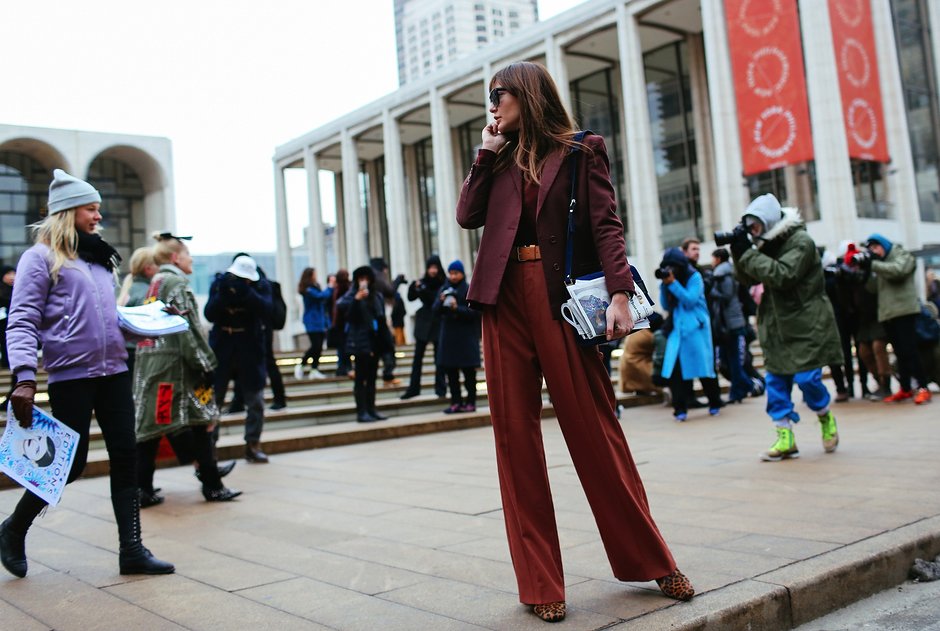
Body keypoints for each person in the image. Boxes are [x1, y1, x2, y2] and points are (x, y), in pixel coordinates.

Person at [455, 61, 693, 623]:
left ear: (528, 94)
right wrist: (485, 153)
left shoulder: (582, 149)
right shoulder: (498, 155)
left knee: (595, 430)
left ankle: (651, 559)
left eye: (499, 95)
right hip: (502, 298)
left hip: (561, 300)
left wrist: (617, 294)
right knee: (515, 443)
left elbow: (606, 224)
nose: (491, 106)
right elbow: (468, 216)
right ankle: (540, 583)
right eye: (488, 98)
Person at [1, 169, 173, 578]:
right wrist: (25, 376)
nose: (99, 216)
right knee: (70, 464)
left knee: (126, 456)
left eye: (99, 208)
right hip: (71, 375)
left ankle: (132, 549)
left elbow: (107, 318)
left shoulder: (98, 260)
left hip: (114, 369)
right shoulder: (39, 258)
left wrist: (157, 318)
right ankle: (12, 529)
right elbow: (22, 321)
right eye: (91, 209)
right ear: (67, 212)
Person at [729, 193, 842, 461]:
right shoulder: (765, 245)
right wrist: (738, 250)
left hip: (807, 324)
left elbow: (782, 275)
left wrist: (748, 252)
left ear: (768, 222)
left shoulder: (800, 241)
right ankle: (785, 436)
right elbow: (747, 277)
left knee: (807, 380)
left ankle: (825, 416)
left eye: (755, 226)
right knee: (776, 383)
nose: (753, 233)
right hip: (776, 324)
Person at [133, 233, 241, 505]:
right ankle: (212, 485)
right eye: (187, 253)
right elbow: (187, 327)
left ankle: (143, 488)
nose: (191, 258)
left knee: (153, 428)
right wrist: (205, 363)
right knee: (200, 422)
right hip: (176, 369)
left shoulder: (156, 281)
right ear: (175, 257)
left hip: (155, 367)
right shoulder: (176, 283)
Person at [204, 254, 273, 463]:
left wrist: (247, 293)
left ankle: (253, 444)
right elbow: (210, 313)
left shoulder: (260, 286)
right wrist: (224, 294)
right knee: (215, 399)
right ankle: (209, 448)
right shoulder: (219, 285)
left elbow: (267, 310)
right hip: (223, 347)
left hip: (249, 348)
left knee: (255, 400)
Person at [857, 234, 932, 405]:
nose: (874, 251)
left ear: (884, 245)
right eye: (871, 249)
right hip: (888, 314)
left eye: (876, 247)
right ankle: (905, 388)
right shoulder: (880, 265)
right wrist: (865, 271)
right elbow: (872, 288)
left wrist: (874, 264)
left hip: (904, 311)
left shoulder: (900, 254)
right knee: (899, 353)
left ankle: (923, 387)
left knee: (910, 350)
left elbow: (899, 271)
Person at [658, 247, 724, 420]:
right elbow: (665, 305)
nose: (671, 270)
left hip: (696, 329)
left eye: (673, 266)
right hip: (678, 331)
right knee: (676, 371)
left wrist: (673, 284)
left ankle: (714, 402)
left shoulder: (694, 277)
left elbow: (690, 300)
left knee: (704, 368)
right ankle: (680, 408)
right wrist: (664, 286)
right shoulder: (669, 282)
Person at [337, 265, 393, 422]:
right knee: (361, 378)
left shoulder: (376, 296)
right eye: (361, 279)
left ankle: (371, 408)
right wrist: (356, 299)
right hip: (360, 342)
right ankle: (361, 411)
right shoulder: (352, 295)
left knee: (372, 378)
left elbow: (380, 319)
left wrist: (386, 343)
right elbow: (347, 313)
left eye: (366, 279)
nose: (364, 282)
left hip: (375, 341)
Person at [433, 260, 480, 413]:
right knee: (451, 374)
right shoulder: (444, 289)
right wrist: (441, 302)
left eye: (456, 273)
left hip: (466, 338)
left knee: (469, 374)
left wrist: (456, 308)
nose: (453, 276)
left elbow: (475, 313)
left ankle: (471, 402)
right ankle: (456, 402)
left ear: (462, 274)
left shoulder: (468, 289)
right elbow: (434, 311)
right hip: (449, 339)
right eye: (451, 273)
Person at [709, 247, 753, 404]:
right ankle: (744, 387)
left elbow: (727, 296)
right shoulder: (723, 274)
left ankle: (743, 388)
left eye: (713, 258)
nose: (712, 261)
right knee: (729, 359)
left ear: (719, 259)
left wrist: (712, 292)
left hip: (731, 323)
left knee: (733, 360)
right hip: (729, 322)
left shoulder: (724, 275)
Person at [401, 255, 447, 400]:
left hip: (438, 322)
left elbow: (435, 299)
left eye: (435, 267)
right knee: (417, 358)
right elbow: (410, 297)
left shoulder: (443, 283)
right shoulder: (422, 282)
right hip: (423, 323)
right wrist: (415, 288)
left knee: (439, 358)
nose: (432, 271)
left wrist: (423, 290)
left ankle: (441, 388)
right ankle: (413, 388)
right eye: (430, 268)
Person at [295, 267, 333, 380]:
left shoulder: (314, 288)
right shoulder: (308, 290)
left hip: (319, 321)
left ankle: (314, 369)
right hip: (312, 321)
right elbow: (321, 297)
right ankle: (301, 364)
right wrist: (330, 287)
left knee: (319, 346)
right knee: (316, 345)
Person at [328, 269, 352, 377]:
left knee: (341, 347)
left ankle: (342, 367)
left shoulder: (335, 290)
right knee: (345, 346)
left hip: (338, 323)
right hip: (345, 322)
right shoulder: (348, 289)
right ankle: (347, 367)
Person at [0, 264, 14, 370]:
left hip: (15, 322)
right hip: (3, 322)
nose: (12, 276)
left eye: (14, 273)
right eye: (9, 274)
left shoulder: (20, 289)